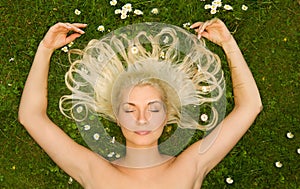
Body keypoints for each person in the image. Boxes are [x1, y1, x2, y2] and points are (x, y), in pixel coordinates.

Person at [18, 18, 262, 188]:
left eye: (153, 108)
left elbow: (250, 106)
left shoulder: (191, 165)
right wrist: (45, 49)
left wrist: (229, 44)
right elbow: (31, 117)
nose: (142, 119)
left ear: (167, 115)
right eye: (129, 109)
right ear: (116, 115)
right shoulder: (94, 170)